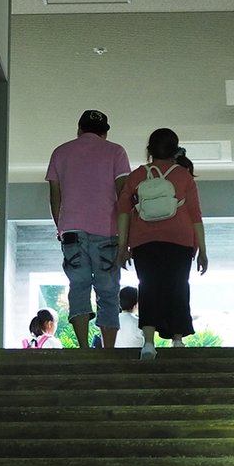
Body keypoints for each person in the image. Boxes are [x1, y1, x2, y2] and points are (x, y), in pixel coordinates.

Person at [113, 128, 207, 360]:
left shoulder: (136, 176)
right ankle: (177, 340)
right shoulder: (184, 176)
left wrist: (122, 246)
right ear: (175, 149)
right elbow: (195, 215)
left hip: (145, 241)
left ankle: (148, 343)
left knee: (148, 287)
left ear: (149, 150)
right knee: (178, 285)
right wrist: (203, 250)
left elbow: (123, 212)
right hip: (180, 240)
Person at [45, 109, 132, 348]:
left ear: (79, 129)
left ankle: (84, 348)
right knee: (108, 291)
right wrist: (127, 239)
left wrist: (61, 228)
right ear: (105, 133)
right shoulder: (116, 151)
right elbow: (124, 195)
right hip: (108, 230)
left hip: (71, 231)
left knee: (79, 287)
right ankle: (108, 349)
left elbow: (55, 196)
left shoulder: (60, 152)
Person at [116, 285, 146, 349]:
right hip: (136, 357)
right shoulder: (140, 323)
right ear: (137, 303)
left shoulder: (113, 321)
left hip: (115, 356)